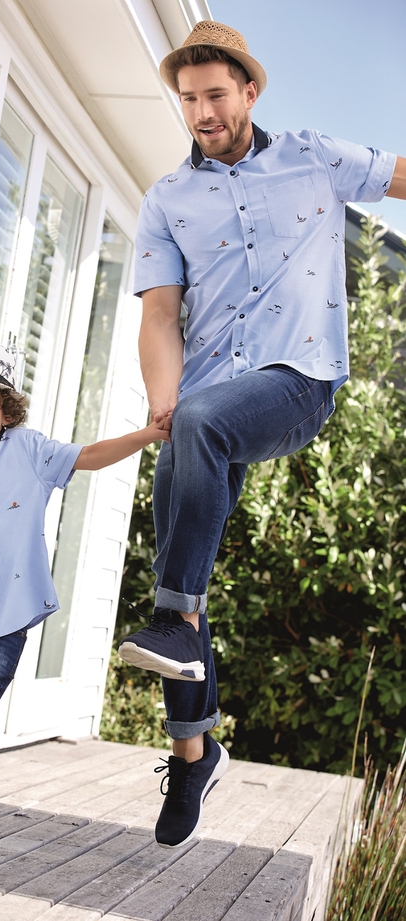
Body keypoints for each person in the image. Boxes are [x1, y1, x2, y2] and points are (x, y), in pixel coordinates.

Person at [117, 20, 406, 849]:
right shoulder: (167, 200)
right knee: (179, 568)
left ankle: (177, 624)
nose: (202, 113)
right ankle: (194, 752)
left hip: (298, 380)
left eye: (215, 95)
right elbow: (160, 314)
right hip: (206, 403)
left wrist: (189, 411)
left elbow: (396, 176)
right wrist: (162, 400)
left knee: (198, 449)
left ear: (249, 90)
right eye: (188, 101)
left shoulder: (315, 156)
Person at [0, 340, 167, 853]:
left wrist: (150, 434)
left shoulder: (31, 451)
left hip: (7, 619)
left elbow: (89, 456)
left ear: (6, 410)